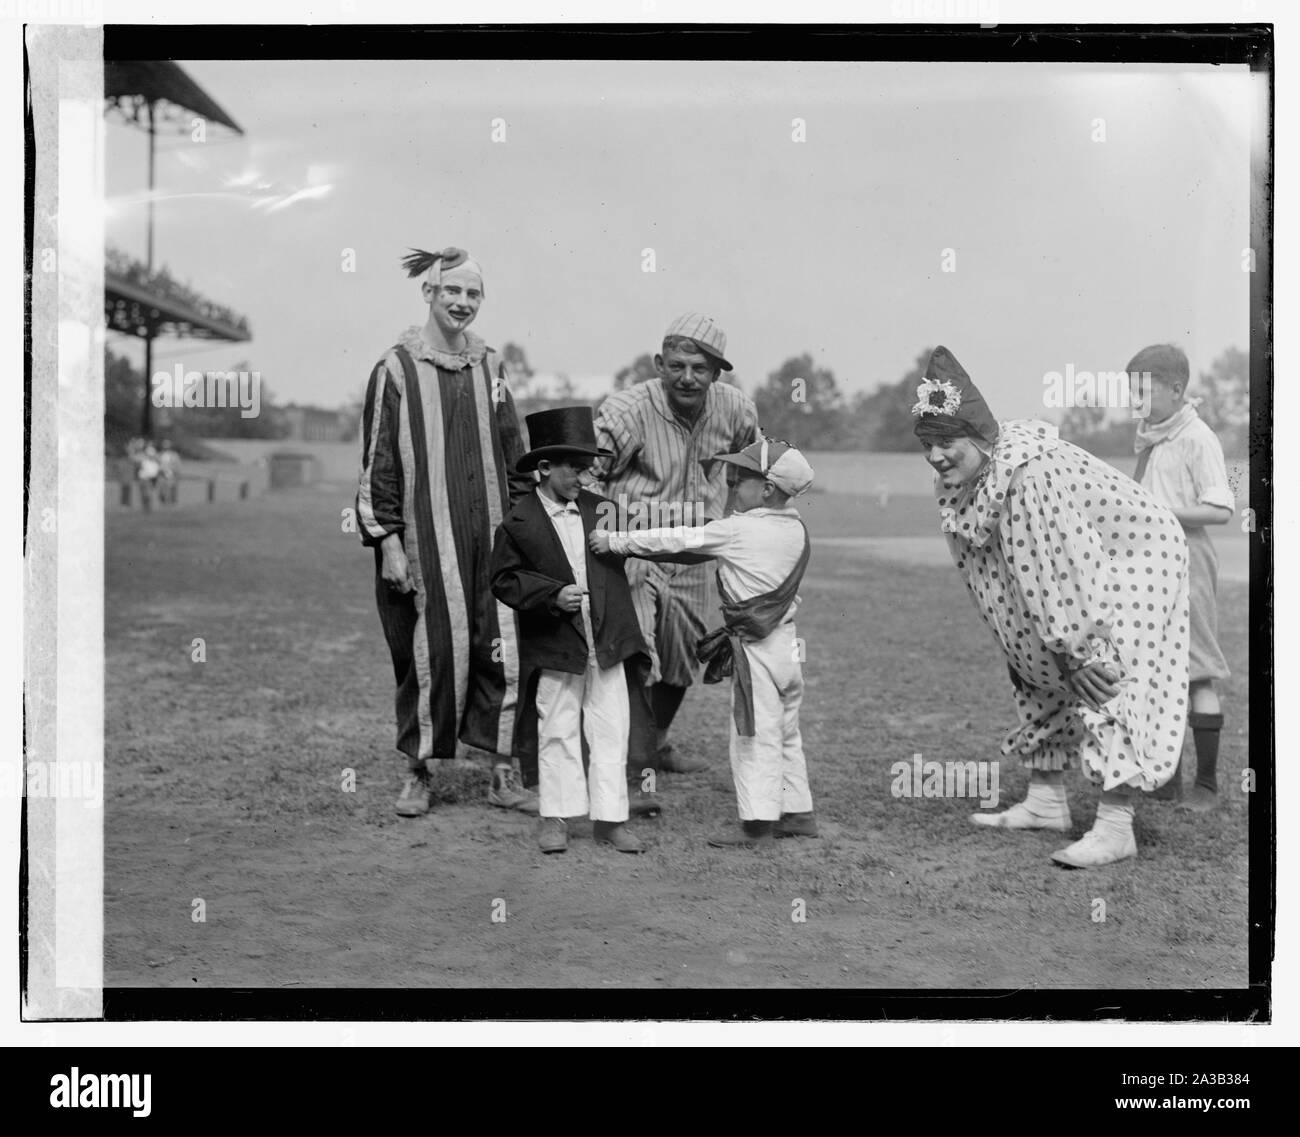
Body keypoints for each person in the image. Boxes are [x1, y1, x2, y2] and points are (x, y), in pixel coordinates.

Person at [913, 346, 1190, 868]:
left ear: (980, 436)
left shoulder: (1028, 474)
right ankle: (1045, 802)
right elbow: (999, 578)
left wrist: (1077, 648)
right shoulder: (965, 478)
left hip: (1136, 556)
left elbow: (1064, 567)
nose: (936, 455)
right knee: (1031, 658)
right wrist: (1033, 642)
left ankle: (1115, 826)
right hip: (1075, 570)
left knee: (1104, 671)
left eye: (947, 441)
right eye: (928, 443)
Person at [356, 245, 538, 818]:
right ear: (429, 293)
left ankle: (503, 771)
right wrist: (388, 542)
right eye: (452, 291)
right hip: (423, 542)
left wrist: (526, 531)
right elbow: (378, 460)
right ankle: (419, 770)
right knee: (428, 651)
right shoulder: (395, 368)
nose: (462, 302)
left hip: (493, 541)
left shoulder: (492, 368)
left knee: (501, 648)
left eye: (473, 294)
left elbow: (515, 454)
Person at [591, 437, 817, 849]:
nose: (731, 486)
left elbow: (679, 540)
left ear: (767, 489)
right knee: (786, 732)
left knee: (752, 735)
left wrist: (617, 542)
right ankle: (798, 812)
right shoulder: (796, 529)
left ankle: (757, 825)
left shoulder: (738, 530)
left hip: (756, 650)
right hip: (786, 645)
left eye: (740, 479)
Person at [591, 314, 759, 792]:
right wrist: (603, 539)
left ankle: (656, 743)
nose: (688, 378)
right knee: (637, 653)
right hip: (632, 550)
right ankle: (632, 762)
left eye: (700, 368)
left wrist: (738, 528)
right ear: (659, 364)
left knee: (686, 653)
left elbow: (752, 469)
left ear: (717, 373)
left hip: (695, 550)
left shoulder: (735, 409)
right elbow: (588, 474)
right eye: (678, 366)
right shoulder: (626, 410)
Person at [490, 407, 651, 854]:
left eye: (587, 468)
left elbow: (642, 543)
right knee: (558, 725)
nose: (583, 476)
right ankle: (556, 816)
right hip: (556, 644)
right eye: (573, 468)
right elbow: (503, 580)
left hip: (608, 640)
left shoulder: (605, 510)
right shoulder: (518, 522)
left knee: (610, 727)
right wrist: (550, 596)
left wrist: (632, 548)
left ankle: (610, 818)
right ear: (543, 468)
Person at [1127, 344, 1234, 812]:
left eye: (1144, 390)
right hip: (1149, 560)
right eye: (1132, 391)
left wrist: (1162, 513)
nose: (1137, 399)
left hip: (1186, 559)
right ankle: (1164, 778)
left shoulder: (1197, 437)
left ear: (1176, 389)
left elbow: (1221, 508)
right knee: (1155, 670)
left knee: (1196, 672)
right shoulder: (1153, 436)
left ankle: (1206, 785)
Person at [158, 440, 180, 506]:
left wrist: (174, 472)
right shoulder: (159, 455)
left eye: (167, 447)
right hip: (162, 476)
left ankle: (172, 504)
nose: (166, 448)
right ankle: (163, 504)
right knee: (162, 492)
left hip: (171, 476)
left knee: (171, 491)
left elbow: (178, 466)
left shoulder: (174, 455)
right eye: (164, 447)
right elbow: (156, 465)